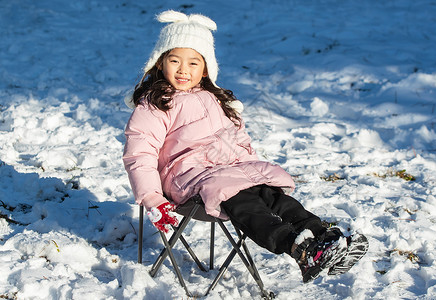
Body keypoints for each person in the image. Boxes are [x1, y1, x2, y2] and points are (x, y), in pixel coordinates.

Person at [123, 10, 367, 283]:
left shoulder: (214, 98)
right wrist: (152, 198)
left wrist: (250, 167)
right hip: (188, 179)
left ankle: (322, 238)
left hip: (229, 170)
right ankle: (299, 249)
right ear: (159, 63)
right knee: (243, 202)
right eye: (174, 60)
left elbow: (239, 138)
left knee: (273, 195)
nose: (183, 70)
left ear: (205, 68)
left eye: (193, 63)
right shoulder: (156, 103)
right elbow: (139, 152)